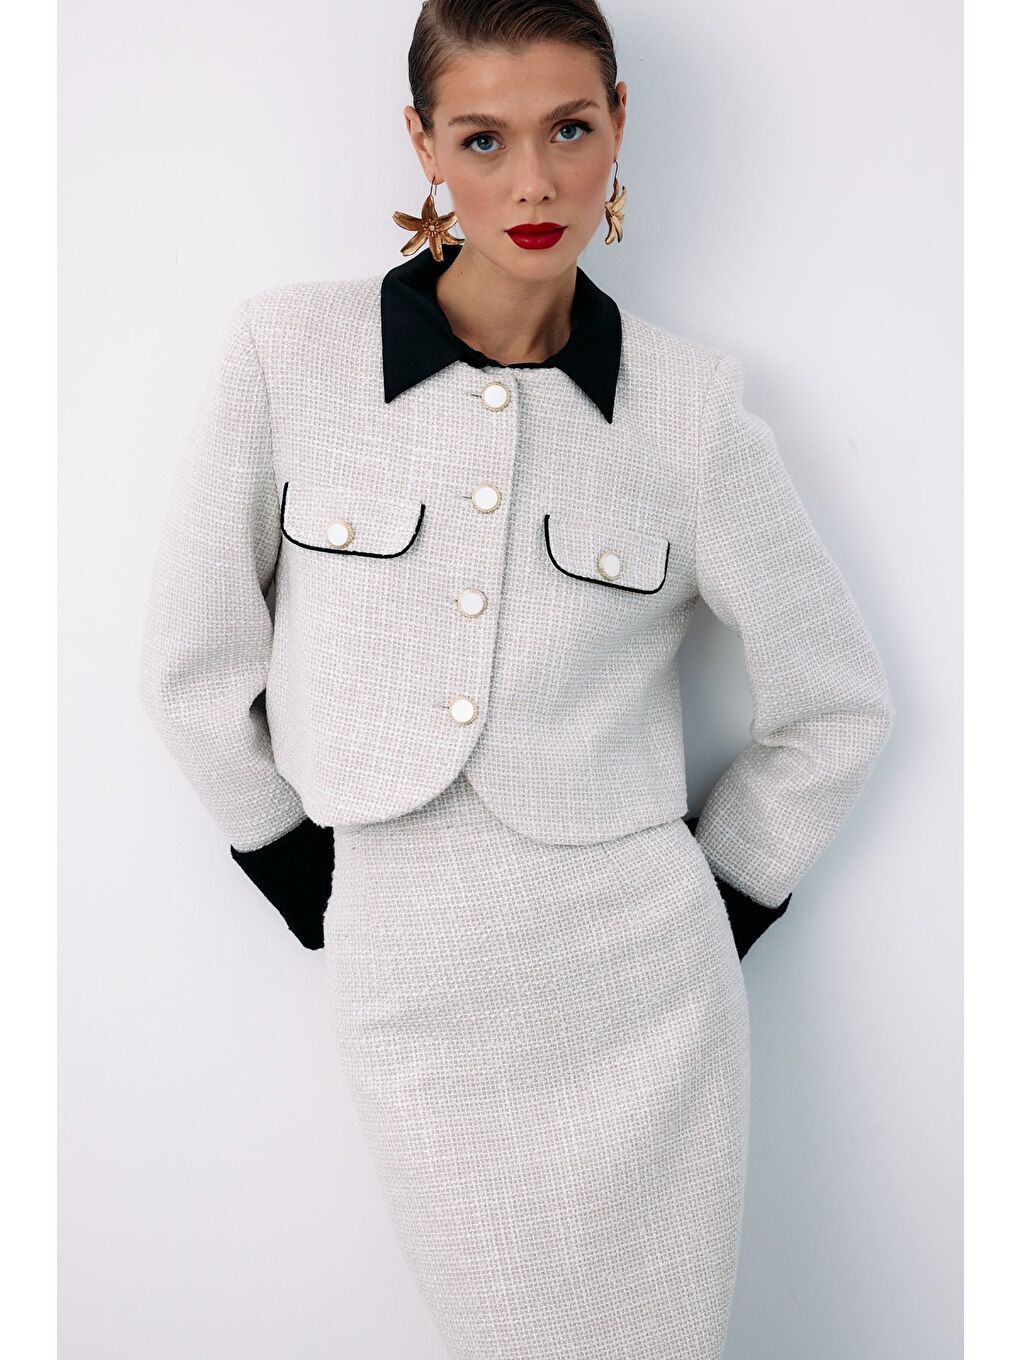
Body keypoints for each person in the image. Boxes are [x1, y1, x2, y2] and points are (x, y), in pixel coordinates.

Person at [138, 2, 895, 1355]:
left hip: (646, 991)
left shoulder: (690, 407)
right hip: (411, 976)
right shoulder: (290, 358)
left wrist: (721, 899)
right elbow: (192, 662)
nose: (534, 182)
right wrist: (300, 872)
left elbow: (837, 702)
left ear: (619, 126)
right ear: (424, 142)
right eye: (484, 138)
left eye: (569, 129)